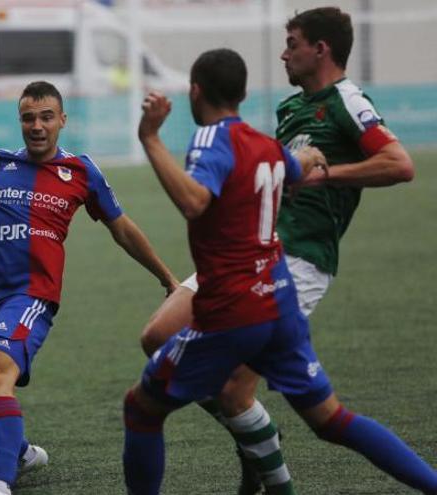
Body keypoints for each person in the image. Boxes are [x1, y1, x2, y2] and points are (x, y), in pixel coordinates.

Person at [123, 47, 437, 495]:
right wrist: (312, 160)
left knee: (141, 409)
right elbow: (296, 165)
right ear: (244, 94)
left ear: (196, 92)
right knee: (332, 419)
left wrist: (151, 138)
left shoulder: (213, 139)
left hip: (233, 310)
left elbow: (194, 202)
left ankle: (262, 454)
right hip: (278, 301)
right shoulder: (263, 144)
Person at [0, 81, 178, 495]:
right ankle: (22, 453)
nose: (37, 125)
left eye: (46, 116)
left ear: (62, 120)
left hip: (31, 296)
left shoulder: (82, 171)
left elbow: (123, 230)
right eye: (28, 117)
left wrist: (167, 277)